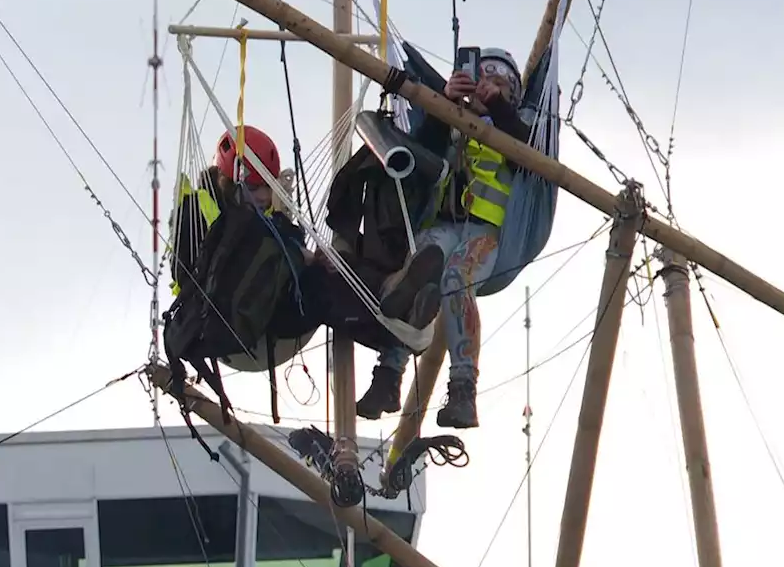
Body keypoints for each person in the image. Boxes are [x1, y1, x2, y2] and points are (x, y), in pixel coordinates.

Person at [355, 47, 533, 428]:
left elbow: (528, 153)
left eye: (499, 84)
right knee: (419, 267)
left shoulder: (518, 123)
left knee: (456, 278)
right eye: (483, 80)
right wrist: (445, 102)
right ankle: (388, 375)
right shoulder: (453, 119)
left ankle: (463, 389)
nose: (489, 87)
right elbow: (425, 147)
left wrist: (499, 109)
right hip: (443, 222)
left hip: (485, 232)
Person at [170, 125, 443, 365]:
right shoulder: (196, 210)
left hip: (271, 304)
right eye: (256, 188)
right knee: (323, 291)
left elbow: (283, 251)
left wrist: (310, 257)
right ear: (230, 182)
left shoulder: (266, 217)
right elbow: (185, 273)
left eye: (268, 185)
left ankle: (398, 297)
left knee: (339, 270)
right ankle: (405, 329)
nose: (265, 195)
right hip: (230, 322)